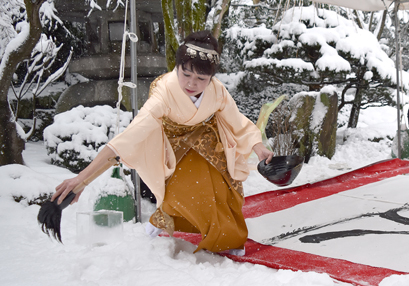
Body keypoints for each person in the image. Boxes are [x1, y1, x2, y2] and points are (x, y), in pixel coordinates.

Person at [52, 31, 273, 254]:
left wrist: (259, 147)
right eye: (185, 74)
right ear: (176, 67)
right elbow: (129, 137)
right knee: (194, 191)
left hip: (207, 143)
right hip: (173, 148)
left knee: (224, 191)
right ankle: (211, 233)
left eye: (201, 79)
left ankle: (214, 231)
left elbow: (238, 122)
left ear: (211, 78)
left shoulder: (217, 91)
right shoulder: (164, 93)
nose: (191, 83)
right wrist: (82, 179)